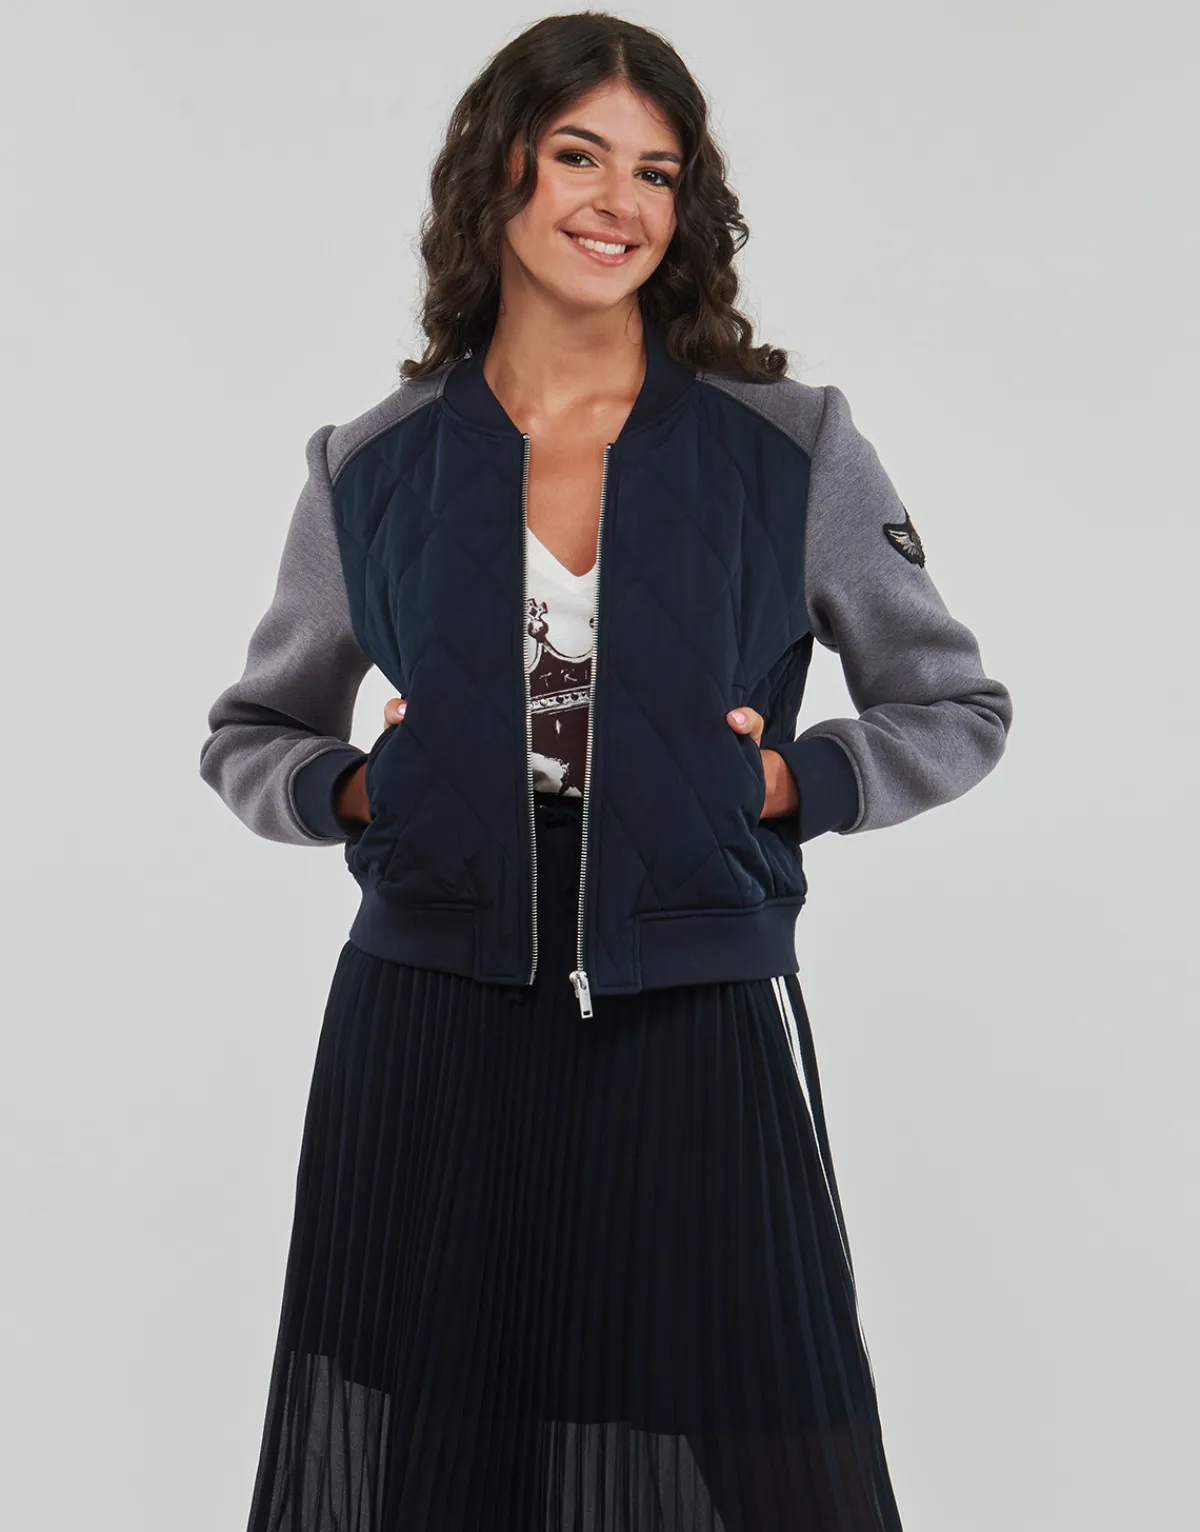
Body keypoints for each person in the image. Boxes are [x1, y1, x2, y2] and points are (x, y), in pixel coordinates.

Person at [199, 14, 1013, 1531]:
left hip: (691, 1010)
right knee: (445, 1472)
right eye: (580, 154)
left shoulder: (791, 447)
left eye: (657, 171)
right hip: (432, 1021)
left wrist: (791, 787)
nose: (618, 201)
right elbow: (252, 734)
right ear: (496, 169)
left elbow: (956, 706)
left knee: (781, 1457)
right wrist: (361, 792)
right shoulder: (368, 464)